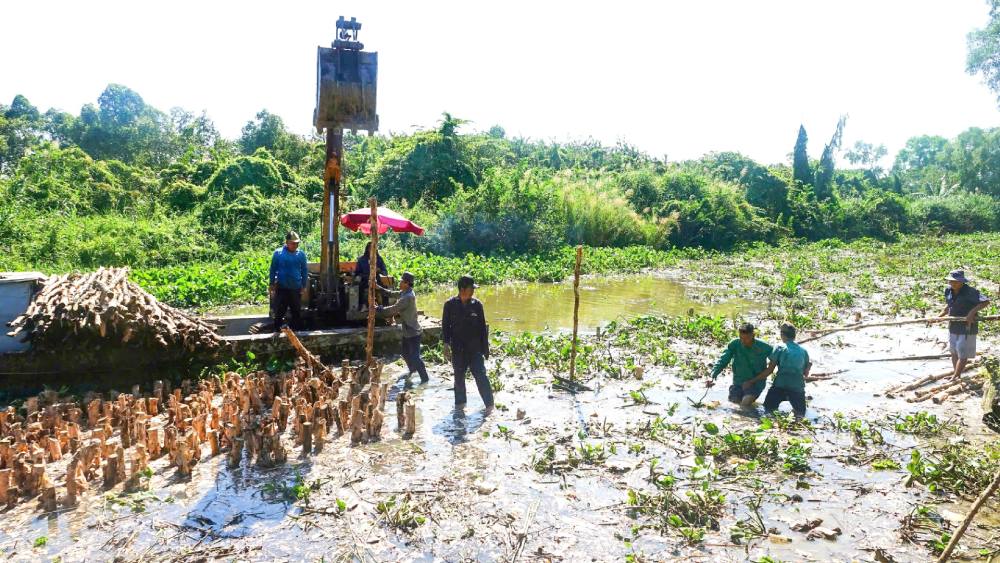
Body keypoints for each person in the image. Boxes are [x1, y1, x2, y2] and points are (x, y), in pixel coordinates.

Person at [441, 275, 493, 409]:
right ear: (463, 289)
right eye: (471, 288)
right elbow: (445, 327)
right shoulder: (449, 305)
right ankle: (460, 408)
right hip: (458, 349)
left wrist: (485, 349)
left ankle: (490, 407)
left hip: (475, 349)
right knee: (459, 379)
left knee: (481, 376)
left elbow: (482, 328)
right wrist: (446, 344)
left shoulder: (477, 305)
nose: (474, 291)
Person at [744, 322, 812, 418]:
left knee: (767, 410)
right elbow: (805, 374)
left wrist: (751, 381)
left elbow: (769, 371)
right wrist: (808, 367)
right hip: (797, 388)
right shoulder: (803, 351)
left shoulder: (780, 348)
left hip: (780, 386)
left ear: (782, 335)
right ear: (794, 336)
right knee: (800, 414)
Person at [376, 272, 429, 383]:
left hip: (413, 332)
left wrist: (378, 308)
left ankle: (425, 379)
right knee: (405, 354)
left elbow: (392, 310)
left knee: (415, 357)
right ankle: (412, 370)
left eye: (401, 281)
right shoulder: (405, 292)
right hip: (407, 331)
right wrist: (378, 288)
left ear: (407, 283)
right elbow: (391, 293)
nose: (399, 282)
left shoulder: (408, 297)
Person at [705, 323, 773, 409]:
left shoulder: (764, 347)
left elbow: (774, 365)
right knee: (733, 405)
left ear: (753, 335)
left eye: (747, 338)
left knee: (745, 403)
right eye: (741, 338)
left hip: (756, 383)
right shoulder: (734, 344)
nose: (743, 341)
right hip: (738, 382)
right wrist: (712, 375)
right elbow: (723, 360)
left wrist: (751, 381)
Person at [940, 269, 991, 380]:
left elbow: (986, 301)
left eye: (956, 282)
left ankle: (956, 375)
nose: (953, 283)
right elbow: (950, 304)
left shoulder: (971, 292)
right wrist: (940, 316)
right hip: (953, 324)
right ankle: (956, 374)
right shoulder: (948, 290)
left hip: (967, 325)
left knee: (962, 351)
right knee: (953, 351)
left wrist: (971, 313)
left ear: (962, 282)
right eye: (951, 281)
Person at [269, 230, 309, 331]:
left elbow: (304, 270)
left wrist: (304, 285)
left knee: (296, 310)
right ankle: (277, 330)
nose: (295, 245)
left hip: (295, 287)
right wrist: (271, 283)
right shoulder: (278, 253)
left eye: (297, 243)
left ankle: (296, 330)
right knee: (280, 310)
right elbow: (273, 269)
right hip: (282, 287)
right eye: (293, 243)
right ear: (287, 242)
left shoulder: (301, 255)